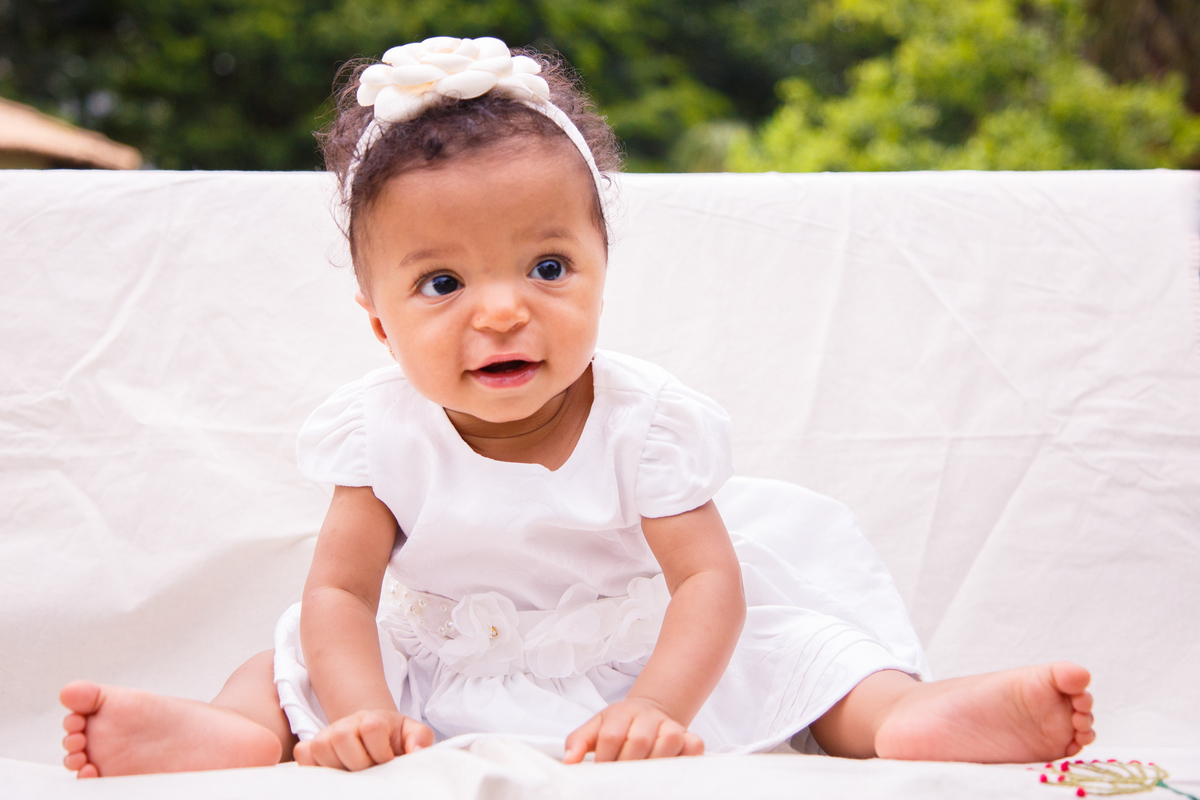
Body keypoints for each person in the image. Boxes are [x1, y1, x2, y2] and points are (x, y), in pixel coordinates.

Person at [58, 37, 1095, 778]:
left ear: (603, 269)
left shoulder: (644, 421)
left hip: (634, 649)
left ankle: (912, 715)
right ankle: (232, 731)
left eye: (547, 264)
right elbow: (339, 594)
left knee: (802, 652)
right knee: (282, 654)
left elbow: (707, 586)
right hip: (447, 651)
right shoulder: (379, 433)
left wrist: (654, 705)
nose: (503, 309)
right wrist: (366, 707)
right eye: (442, 283)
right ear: (379, 326)